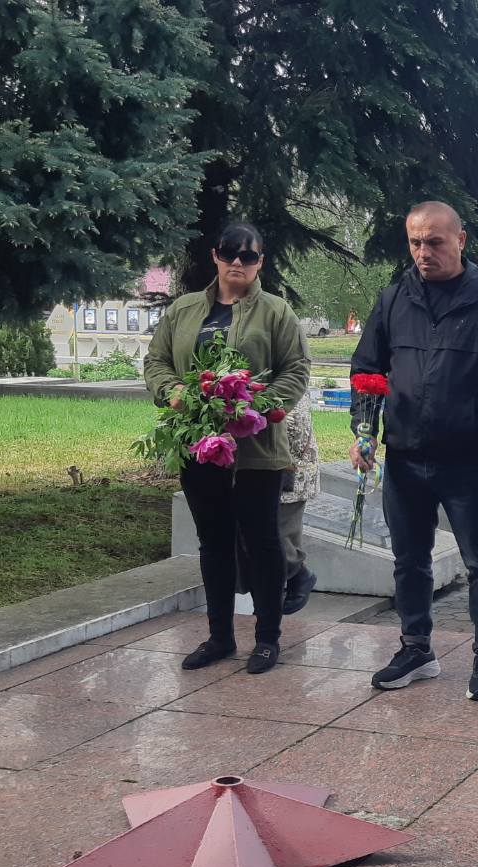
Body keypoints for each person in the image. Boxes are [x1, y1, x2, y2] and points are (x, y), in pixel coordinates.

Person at [351, 201, 478, 701]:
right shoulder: (394, 299)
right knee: (409, 560)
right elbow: (367, 369)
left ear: (460, 240)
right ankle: (416, 647)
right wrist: (364, 431)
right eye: (415, 242)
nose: (423, 252)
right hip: (405, 455)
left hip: (468, 461)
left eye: (434, 242)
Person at [143, 222, 311, 674]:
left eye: (248, 256)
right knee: (213, 541)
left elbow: (296, 369)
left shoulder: (276, 312)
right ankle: (219, 637)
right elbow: (156, 361)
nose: (238, 262)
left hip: (257, 447)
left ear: (260, 262)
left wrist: (258, 405)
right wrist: (172, 391)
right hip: (199, 444)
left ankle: (267, 639)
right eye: (229, 253)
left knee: (262, 541)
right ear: (215, 256)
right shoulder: (183, 310)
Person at [278, 390, 320, 613]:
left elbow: (296, 426)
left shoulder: (290, 380)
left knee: (280, 536)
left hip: (290, 471)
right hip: (262, 467)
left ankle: (299, 575)